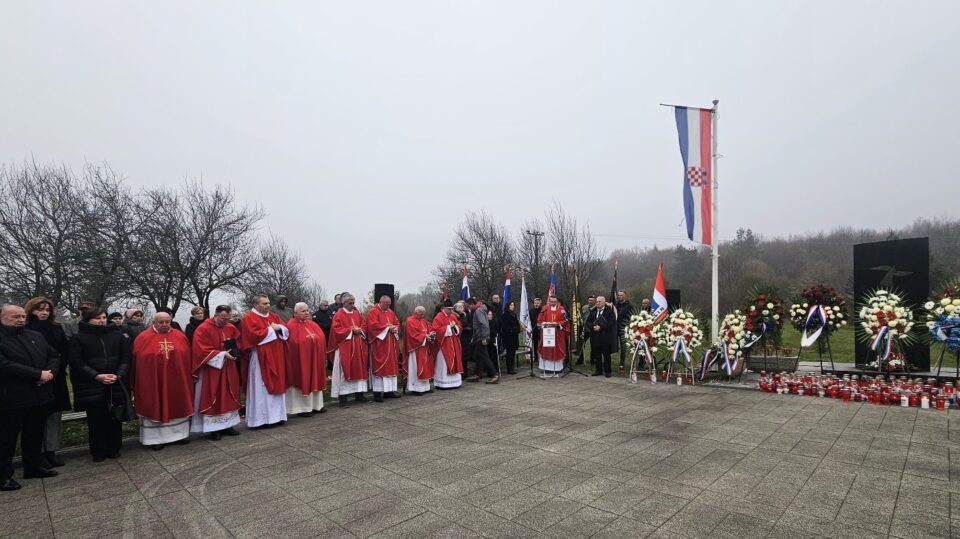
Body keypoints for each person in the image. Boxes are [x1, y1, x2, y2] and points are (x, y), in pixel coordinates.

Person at [0, 305, 60, 491]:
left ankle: (33, 466)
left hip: (39, 395)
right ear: (2, 317)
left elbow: (54, 355)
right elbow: (4, 364)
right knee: (6, 439)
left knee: (34, 433)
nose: (20, 319)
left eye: (22, 316)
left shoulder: (34, 335)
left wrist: (49, 373)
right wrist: (37, 374)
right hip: (11, 397)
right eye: (14, 316)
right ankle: (3, 475)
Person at [68, 308, 131, 461]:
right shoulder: (78, 338)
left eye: (103, 317)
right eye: (97, 318)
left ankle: (114, 448)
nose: (102, 320)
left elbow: (126, 357)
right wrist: (96, 376)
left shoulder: (117, 335)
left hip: (114, 382)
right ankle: (98, 450)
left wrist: (119, 374)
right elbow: (76, 362)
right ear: (88, 320)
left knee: (114, 418)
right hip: (92, 385)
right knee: (96, 419)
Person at [132, 312, 194, 449]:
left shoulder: (179, 335)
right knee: (156, 404)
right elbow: (139, 361)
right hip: (154, 381)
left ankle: (179, 435)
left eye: (167, 322)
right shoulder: (143, 338)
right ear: (154, 322)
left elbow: (186, 356)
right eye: (161, 322)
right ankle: (155, 439)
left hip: (177, 380)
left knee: (177, 402)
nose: (165, 325)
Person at [24, 298, 70, 468]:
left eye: (47, 310)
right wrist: (38, 374)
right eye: (39, 309)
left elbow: (64, 352)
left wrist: (53, 371)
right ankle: (38, 453)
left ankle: (51, 450)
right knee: (36, 418)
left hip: (55, 378)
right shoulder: (24, 328)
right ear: (31, 310)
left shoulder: (56, 328)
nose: (44, 313)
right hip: (32, 379)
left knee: (54, 416)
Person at [190, 305, 242, 440]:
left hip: (228, 367)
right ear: (216, 315)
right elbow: (200, 350)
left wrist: (235, 351)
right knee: (213, 396)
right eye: (223, 319)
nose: (226, 322)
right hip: (212, 369)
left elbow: (238, 342)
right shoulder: (203, 328)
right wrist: (222, 354)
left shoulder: (230, 327)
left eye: (228, 319)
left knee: (229, 394)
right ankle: (213, 429)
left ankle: (228, 425)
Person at [238, 295, 288, 428]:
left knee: (277, 382)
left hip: (276, 356)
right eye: (264, 303)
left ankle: (277, 416)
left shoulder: (273, 316)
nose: (268, 306)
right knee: (261, 387)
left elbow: (285, 328)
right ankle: (261, 419)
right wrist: (272, 329)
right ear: (255, 305)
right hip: (260, 357)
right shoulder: (248, 318)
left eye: (268, 303)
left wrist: (280, 328)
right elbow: (252, 336)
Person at [284, 302, 327, 416]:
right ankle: (302, 408)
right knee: (303, 378)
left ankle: (316, 406)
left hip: (314, 358)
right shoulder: (291, 325)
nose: (307, 313)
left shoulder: (312, 324)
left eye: (307, 310)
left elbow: (321, 337)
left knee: (315, 378)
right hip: (301, 360)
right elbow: (292, 342)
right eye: (303, 311)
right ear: (295, 313)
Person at [328, 292, 369, 407]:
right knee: (344, 370)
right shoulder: (339, 315)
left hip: (358, 347)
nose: (352, 305)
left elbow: (364, 325)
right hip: (345, 347)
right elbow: (336, 330)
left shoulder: (357, 313)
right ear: (344, 303)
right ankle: (343, 397)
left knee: (359, 368)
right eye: (350, 303)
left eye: (353, 303)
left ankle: (359, 394)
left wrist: (360, 330)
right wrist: (351, 330)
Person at [366, 295, 401, 402]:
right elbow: (372, 326)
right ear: (380, 302)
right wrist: (387, 328)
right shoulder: (373, 312)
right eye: (387, 304)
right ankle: (377, 393)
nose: (388, 306)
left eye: (389, 304)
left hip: (390, 344)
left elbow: (396, 322)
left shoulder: (390, 312)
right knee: (380, 367)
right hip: (379, 345)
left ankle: (389, 391)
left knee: (390, 367)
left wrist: (395, 328)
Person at [431, 300, 464, 389]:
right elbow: (436, 330)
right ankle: (443, 383)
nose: (450, 311)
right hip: (444, 345)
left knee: (456, 360)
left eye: (451, 309)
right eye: (448, 309)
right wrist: (449, 327)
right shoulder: (438, 317)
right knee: (444, 363)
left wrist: (455, 327)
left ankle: (455, 382)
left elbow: (460, 326)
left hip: (454, 342)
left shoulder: (453, 316)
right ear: (444, 309)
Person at [466, 298, 498, 384]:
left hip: (482, 338)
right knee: (477, 355)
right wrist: (474, 336)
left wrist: (484, 337)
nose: (469, 308)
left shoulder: (478, 311)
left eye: (469, 306)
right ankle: (478, 374)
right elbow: (477, 326)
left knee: (484, 356)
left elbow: (484, 324)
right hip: (479, 337)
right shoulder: (479, 310)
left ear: (472, 304)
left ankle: (494, 375)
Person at [404, 306, 435, 395]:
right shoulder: (410, 321)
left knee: (426, 368)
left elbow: (428, 330)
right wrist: (425, 336)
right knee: (416, 367)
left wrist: (431, 334)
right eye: (421, 314)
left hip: (424, 347)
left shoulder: (424, 321)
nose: (423, 316)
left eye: (423, 314)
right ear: (416, 312)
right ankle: (416, 388)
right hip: (416, 348)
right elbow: (412, 335)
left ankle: (426, 387)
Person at [536, 296, 570, 375]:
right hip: (547, 334)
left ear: (557, 301)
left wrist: (558, 324)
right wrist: (544, 323)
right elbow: (540, 320)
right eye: (551, 301)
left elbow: (565, 321)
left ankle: (557, 368)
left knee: (557, 349)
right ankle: (546, 368)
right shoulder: (545, 309)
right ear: (549, 301)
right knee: (547, 349)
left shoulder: (562, 309)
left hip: (558, 334)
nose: (553, 303)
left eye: (554, 301)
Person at [586, 296, 617, 377]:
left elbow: (611, 323)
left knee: (606, 355)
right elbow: (588, 322)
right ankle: (598, 370)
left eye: (599, 301)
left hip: (605, 336)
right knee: (597, 355)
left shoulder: (609, 311)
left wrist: (601, 327)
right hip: (595, 336)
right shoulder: (593, 311)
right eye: (597, 301)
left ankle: (607, 371)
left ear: (604, 302)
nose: (597, 303)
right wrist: (593, 327)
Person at [615, 291, 634, 375]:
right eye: (618, 295)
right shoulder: (615, 305)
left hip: (624, 330)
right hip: (615, 329)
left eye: (621, 295)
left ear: (625, 296)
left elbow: (631, 317)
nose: (619, 296)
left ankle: (621, 364)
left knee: (623, 348)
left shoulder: (629, 306)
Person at [500, 301, 520, 374]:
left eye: (513, 305)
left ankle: (512, 367)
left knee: (513, 352)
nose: (512, 306)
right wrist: (512, 330)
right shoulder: (505, 315)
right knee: (509, 353)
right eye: (511, 305)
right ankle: (509, 368)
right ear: (508, 306)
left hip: (514, 336)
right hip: (508, 337)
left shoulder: (514, 314)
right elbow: (505, 326)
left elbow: (517, 324)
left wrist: (517, 330)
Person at [456, 300, 472, 373]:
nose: (463, 308)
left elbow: (469, 323)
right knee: (461, 355)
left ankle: (465, 371)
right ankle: (462, 371)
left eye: (463, 306)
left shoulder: (466, 314)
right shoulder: (456, 316)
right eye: (461, 307)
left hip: (466, 337)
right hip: (460, 337)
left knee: (465, 355)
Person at [487, 294, 502, 366]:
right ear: (492, 299)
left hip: (500, 329)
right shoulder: (491, 307)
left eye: (498, 298)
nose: (497, 299)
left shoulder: (500, 306)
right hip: (493, 329)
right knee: (493, 351)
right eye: (495, 298)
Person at [529, 297, 542, 362]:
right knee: (535, 344)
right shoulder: (531, 311)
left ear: (540, 303)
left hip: (542, 330)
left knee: (542, 343)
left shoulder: (542, 311)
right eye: (535, 303)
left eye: (538, 303)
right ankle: (536, 358)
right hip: (534, 330)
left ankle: (542, 357)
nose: (536, 304)